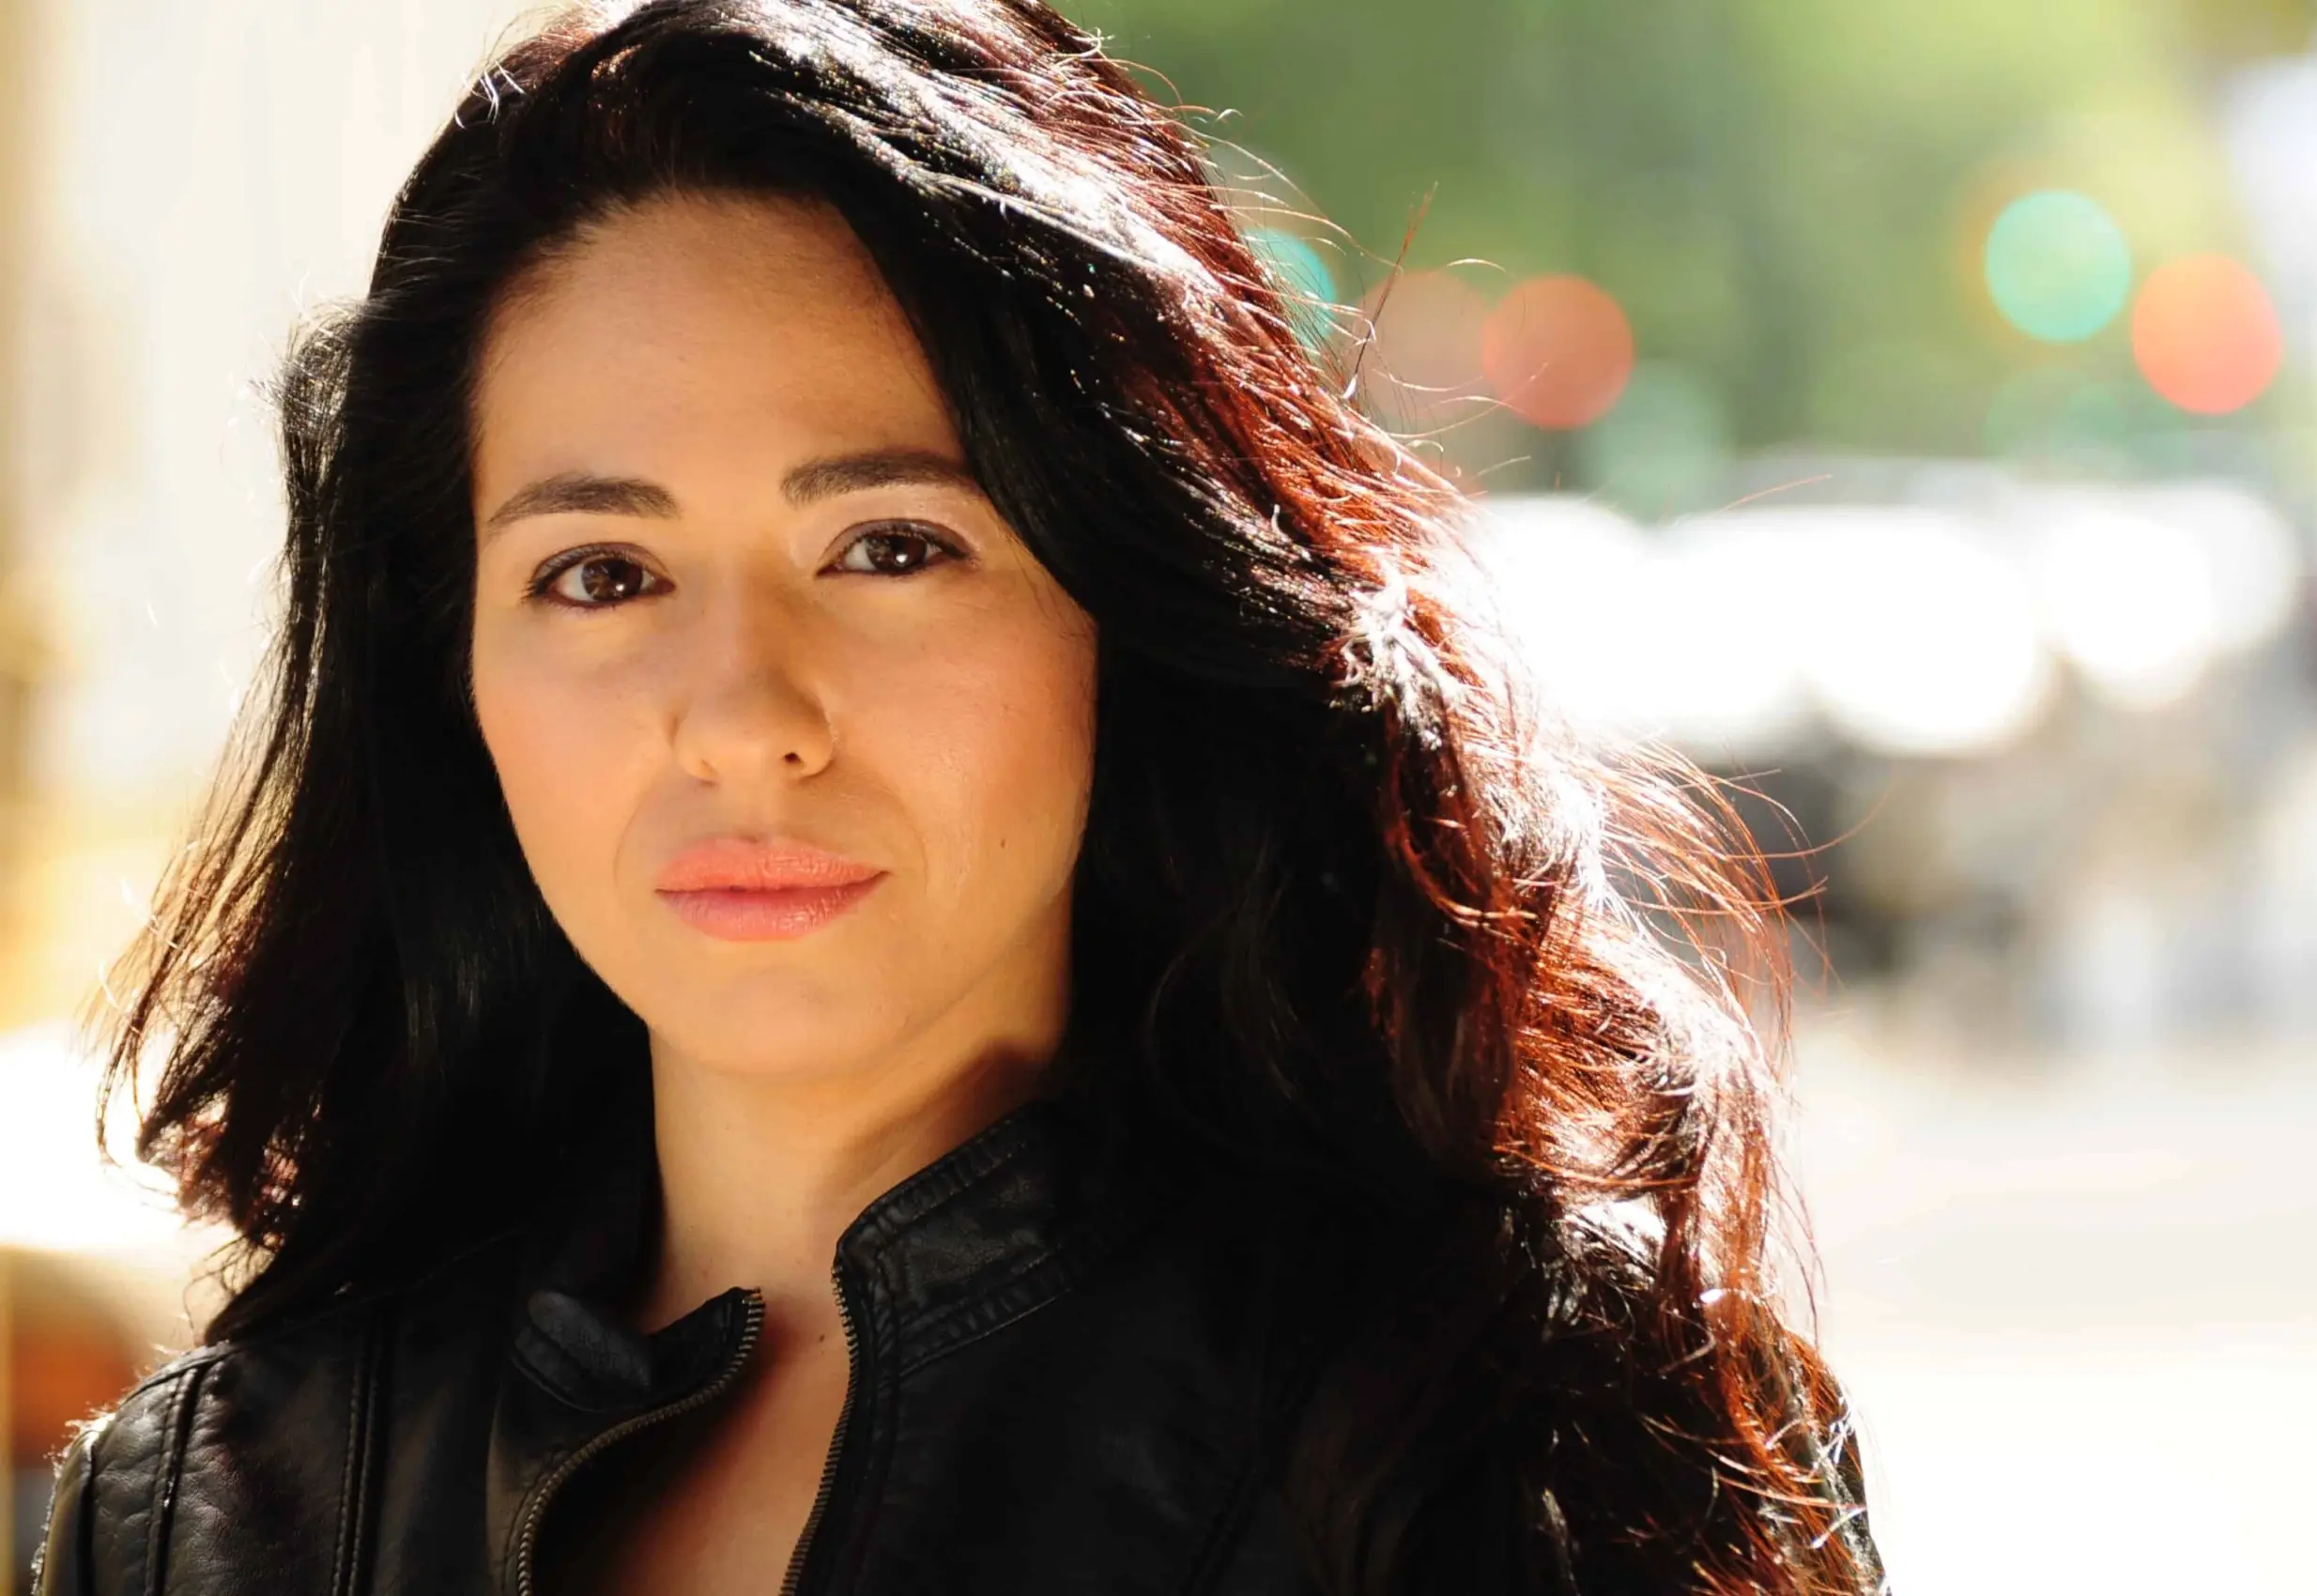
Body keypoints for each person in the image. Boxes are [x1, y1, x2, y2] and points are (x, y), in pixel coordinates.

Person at [33, 2, 1884, 1591]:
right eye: (601, 573)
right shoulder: (195, 1512)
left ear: (1118, 605)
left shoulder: (1500, 1425)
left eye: (888, 545)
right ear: (456, 681)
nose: (742, 719)